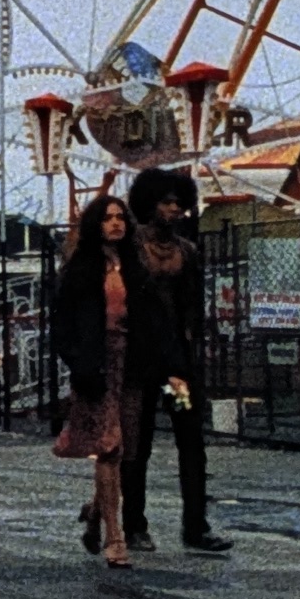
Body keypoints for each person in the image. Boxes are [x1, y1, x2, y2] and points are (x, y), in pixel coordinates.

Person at [120, 165, 231, 553]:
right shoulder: (130, 248)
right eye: (168, 203)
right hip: (136, 362)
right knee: (136, 442)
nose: (175, 211)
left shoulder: (186, 252)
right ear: (150, 203)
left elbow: (192, 308)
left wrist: (189, 352)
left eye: (180, 204)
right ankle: (133, 524)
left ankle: (196, 526)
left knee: (190, 438)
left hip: (175, 366)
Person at [49, 190, 141, 567]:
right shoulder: (81, 268)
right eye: (108, 217)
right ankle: (114, 538)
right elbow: (62, 323)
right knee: (109, 447)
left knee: (126, 449)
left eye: (120, 216)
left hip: (131, 361)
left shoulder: (136, 266)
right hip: (97, 362)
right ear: (95, 225)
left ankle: (96, 511)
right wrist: (79, 362)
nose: (116, 222)